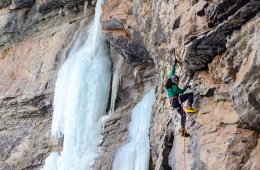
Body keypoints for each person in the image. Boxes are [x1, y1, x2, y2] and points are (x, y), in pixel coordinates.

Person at [165, 60, 197, 137]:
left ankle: (183, 130)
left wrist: (173, 66)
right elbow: (182, 91)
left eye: (178, 81)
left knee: (183, 115)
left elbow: (171, 74)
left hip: (173, 103)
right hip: (176, 100)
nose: (178, 82)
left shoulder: (169, 85)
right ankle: (189, 107)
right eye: (177, 81)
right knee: (190, 94)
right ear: (174, 81)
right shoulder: (175, 87)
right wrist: (187, 86)